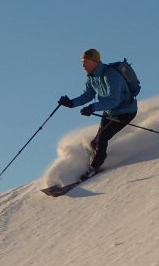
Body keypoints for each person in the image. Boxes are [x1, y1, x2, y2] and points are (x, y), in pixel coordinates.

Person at [58, 48, 138, 178]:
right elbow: (87, 95)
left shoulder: (111, 75)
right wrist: (71, 103)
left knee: (102, 139)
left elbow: (114, 101)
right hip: (109, 112)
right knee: (94, 143)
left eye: (85, 62)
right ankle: (91, 162)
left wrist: (92, 108)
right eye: (82, 62)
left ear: (94, 61)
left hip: (125, 112)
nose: (83, 66)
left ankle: (93, 168)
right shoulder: (92, 78)